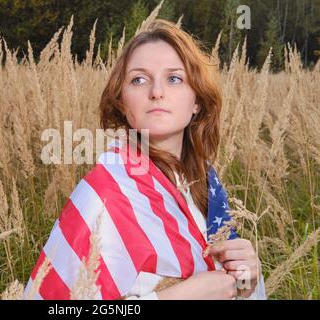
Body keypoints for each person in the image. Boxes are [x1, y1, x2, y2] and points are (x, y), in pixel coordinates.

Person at [23, 19, 266, 300]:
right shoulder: (104, 193)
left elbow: (229, 288)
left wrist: (246, 283)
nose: (156, 92)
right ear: (122, 102)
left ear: (197, 100)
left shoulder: (205, 185)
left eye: (174, 78)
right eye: (139, 79)